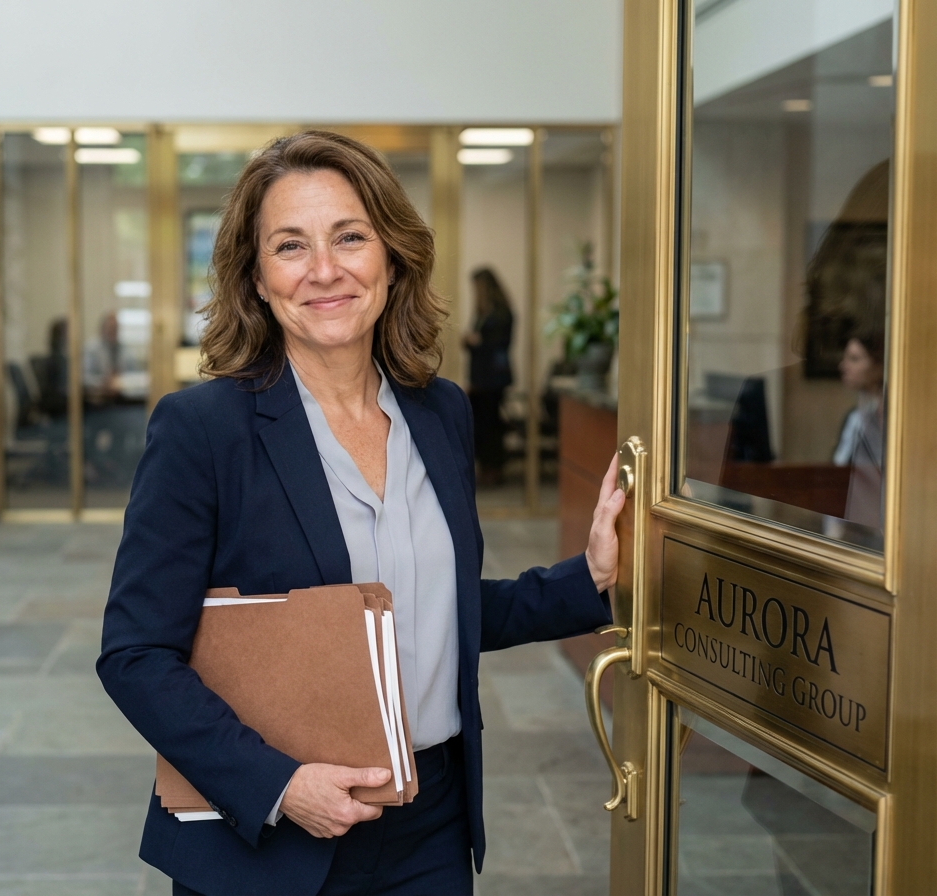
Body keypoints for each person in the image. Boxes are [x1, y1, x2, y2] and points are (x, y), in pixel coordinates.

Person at [97, 131, 625, 896]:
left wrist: (591, 578)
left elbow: (431, 606)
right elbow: (136, 656)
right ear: (255, 277)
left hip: (430, 825)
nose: (324, 270)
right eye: (290, 246)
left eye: (350, 236)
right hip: (271, 842)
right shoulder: (202, 431)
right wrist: (280, 785)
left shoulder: (440, 414)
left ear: (392, 255)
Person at [461, 268, 514, 486]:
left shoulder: (501, 313)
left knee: (491, 427)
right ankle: (486, 468)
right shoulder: (483, 313)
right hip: (480, 380)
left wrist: (477, 341)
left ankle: (494, 470)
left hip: (493, 381)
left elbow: (498, 345)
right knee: (481, 426)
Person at [832, 329, 884, 531]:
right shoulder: (854, 417)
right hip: (849, 524)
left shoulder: (890, 419)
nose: (843, 366)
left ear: (879, 365)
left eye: (854, 359)